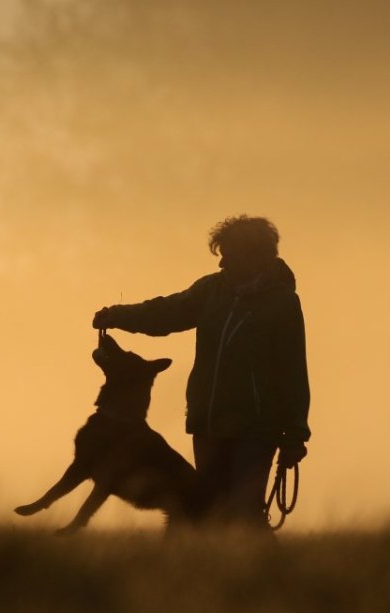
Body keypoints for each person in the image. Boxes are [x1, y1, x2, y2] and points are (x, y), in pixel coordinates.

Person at [92, 215, 310, 530]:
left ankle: (265, 573)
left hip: (257, 428)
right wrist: (117, 316)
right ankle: (222, 571)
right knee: (209, 511)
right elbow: (167, 313)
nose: (222, 263)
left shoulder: (282, 304)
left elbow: (292, 371)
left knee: (246, 512)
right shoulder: (212, 290)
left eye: (229, 254)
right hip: (209, 421)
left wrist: (295, 435)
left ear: (254, 255)